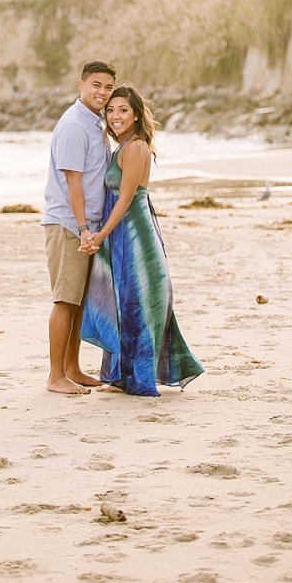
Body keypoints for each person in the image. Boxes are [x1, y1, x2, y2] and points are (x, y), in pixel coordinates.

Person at [80, 85, 204, 396]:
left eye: (122, 110)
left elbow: (125, 199)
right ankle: (123, 376)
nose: (115, 116)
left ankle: (139, 377)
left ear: (136, 114)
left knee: (136, 301)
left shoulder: (134, 148)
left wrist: (101, 234)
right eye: (110, 110)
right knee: (123, 301)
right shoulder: (122, 147)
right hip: (122, 232)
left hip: (134, 234)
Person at [41, 60, 117, 394]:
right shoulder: (73, 125)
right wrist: (84, 228)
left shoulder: (94, 124)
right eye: (96, 85)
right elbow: (74, 183)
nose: (102, 92)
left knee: (80, 300)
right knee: (65, 300)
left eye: (108, 87)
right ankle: (56, 376)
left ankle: (72, 367)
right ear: (81, 85)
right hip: (69, 224)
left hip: (88, 225)